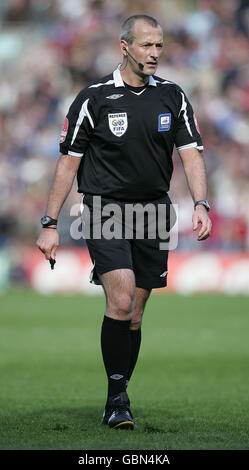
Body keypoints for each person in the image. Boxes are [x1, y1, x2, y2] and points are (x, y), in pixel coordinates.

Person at [36, 14, 212, 430]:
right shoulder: (93, 98)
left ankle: (119, 392)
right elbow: (67, 163)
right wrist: (49, 222)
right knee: (120, 298)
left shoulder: (173, 96)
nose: (155, 54)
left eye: (159, 46)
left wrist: (201, 203)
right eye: (147, 45)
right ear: (125, 46)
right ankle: (117, 399)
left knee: (134, 312)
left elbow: (191, 153)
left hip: (153, 212)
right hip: (105, 210)